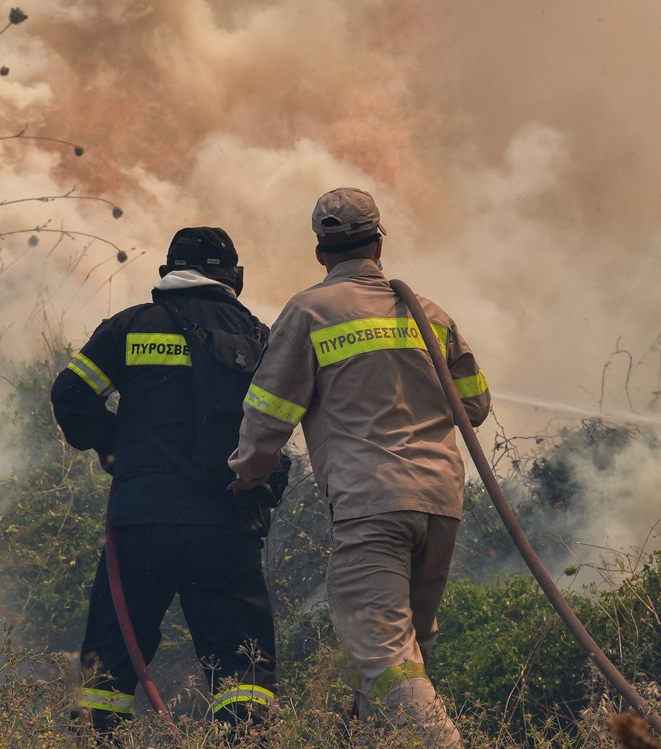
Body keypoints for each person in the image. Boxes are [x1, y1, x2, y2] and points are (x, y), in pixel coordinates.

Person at [228, 188, 490, 747]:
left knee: (383, 655)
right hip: (440, 505)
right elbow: (475, 404)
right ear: (378, 243)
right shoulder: (429, 313)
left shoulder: (310, 311)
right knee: (407, 656)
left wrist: (247, 473)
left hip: (371, 506)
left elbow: (270, 410)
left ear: (321, 253)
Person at [50, 227, 284, 740]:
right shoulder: (257, 336)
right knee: (241, 668)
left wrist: (117, 450)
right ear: (233, 277)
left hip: (140, 522)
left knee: (110, 660)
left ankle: (96, 737)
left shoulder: (129, 326)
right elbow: (276, 425)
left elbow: (70, 394)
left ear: (167, 272)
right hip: (225, 523)